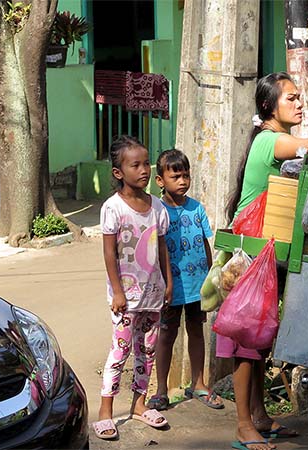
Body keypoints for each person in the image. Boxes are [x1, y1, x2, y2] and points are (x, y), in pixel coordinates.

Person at [220, 72, 308, 450]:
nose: (299, 103)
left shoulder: (271, 139)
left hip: (264, 250)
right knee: (246, 339)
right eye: (291, 98)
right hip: (252, 252)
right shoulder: (270, 140)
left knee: (260, 336)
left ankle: (259, 415)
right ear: (268, 106)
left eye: (298, 98)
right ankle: (244, 425)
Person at [92, 135, 172, 440]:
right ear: (118, 172)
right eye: (135, 165)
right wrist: (118, 291)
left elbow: (163, 248)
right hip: (125, 298)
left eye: (145, 163)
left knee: (147, 351)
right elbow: (109, 253)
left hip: (153, 294)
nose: (144, 170)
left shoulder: (158, 208)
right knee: (120, 350)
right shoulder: (113, 208)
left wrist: (168, 283)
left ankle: (139, 405)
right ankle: (106, 411)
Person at [147, 149, 224, 411]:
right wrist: (161, 284)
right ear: (160, 181)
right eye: (175, 176)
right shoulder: (157, 211)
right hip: (169, 287)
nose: (182, 181)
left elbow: (205, 245)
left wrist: (212, 279)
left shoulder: (197, 208)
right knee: (167, 334)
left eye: (186, 176)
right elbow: (155, 251)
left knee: (196, 331)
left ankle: (199, 383)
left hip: (196, 286)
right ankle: (160, 390)